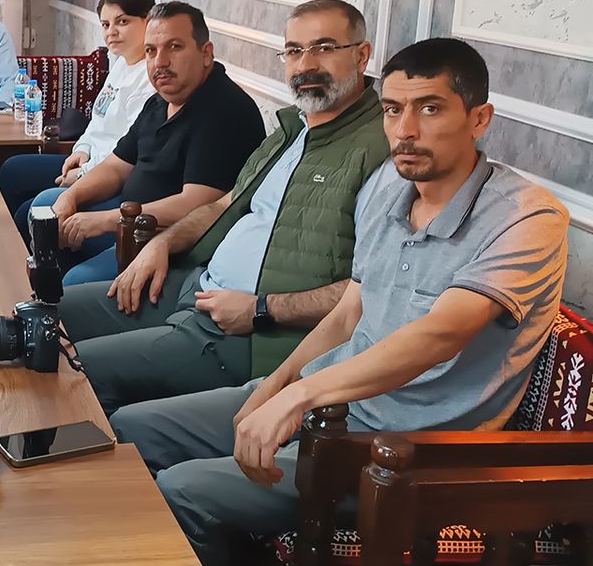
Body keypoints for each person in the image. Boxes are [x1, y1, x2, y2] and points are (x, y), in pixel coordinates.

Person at [112, 38, 569, 566]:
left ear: (479, 119)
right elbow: (349, 312)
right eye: (393, 110)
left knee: (182, 491)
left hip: (401, 456)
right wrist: (276, 388)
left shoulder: (526, 217)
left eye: (430, 109)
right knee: (131, 430)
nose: (405, 130)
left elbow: (441, 334)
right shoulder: (388, 190)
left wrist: (298, 399)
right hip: (328, 407)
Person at [58, 0, 393, 414]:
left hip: (248, 336)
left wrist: (260, 309)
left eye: (324, 48)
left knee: (74, 370)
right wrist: (162, 243)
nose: (306, 65)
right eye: (294, 51)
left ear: (361, 55)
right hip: (194, 286)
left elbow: (372, 291)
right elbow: (224, 205)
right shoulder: (292, 130)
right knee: (53, 314)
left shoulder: (382, 152)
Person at [30, 1, 265, 287]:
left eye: (174, 47)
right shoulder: (160, 101)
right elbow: (116, 167)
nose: (160, 62)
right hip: (128, 220)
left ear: (206, 53)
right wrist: (72, 197)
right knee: (47, 213)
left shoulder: (224, 111)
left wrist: (104, 221)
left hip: (171, 242)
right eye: (151, 51)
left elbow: (197, 205)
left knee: (77, 281)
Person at [0, 0, 158, 221]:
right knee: (12, 170)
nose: (111, 32)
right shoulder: (121, 62)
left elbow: (127, 152)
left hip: (112, 178)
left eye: (122, 22)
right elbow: (96, 122)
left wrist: (84, 174)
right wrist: (82, 149)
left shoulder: (149, 79)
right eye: (105, 24)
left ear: (148, 21)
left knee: (29, 212)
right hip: (90, 161)